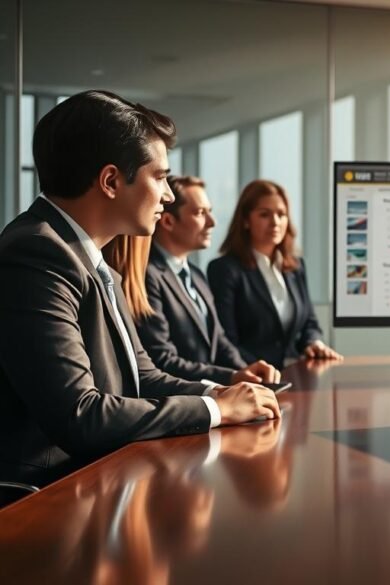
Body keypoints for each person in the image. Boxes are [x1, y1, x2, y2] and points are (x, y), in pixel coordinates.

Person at [0, 90, 280, 487]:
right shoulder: (37, 254)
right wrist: (215, 409)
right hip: (43, 502)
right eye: (161, 177)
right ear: (111, 180)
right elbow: (80, 415)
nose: (168, 195)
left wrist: (225, 391)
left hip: (100, 483)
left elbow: (142, 376)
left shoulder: (96, 264)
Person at [131, 175, 281, 386]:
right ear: (168, 221)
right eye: (201, 213)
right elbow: (161, 359)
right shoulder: (148, 276)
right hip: (185, 402)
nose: (212, 222)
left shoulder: (197, 275)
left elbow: (220, 341)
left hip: (216, 396)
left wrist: (250, 375)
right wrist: (230, 377)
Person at [207, 180, 342, 368]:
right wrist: (258, 370)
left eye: (281, 214)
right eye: (264, 215)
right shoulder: (225, 269)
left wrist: (314, 343)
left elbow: (309, 322)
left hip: (297, 374)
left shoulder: (296, 266)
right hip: (251, 377)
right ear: (245, 220)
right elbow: (226, 340)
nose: (275, 222)